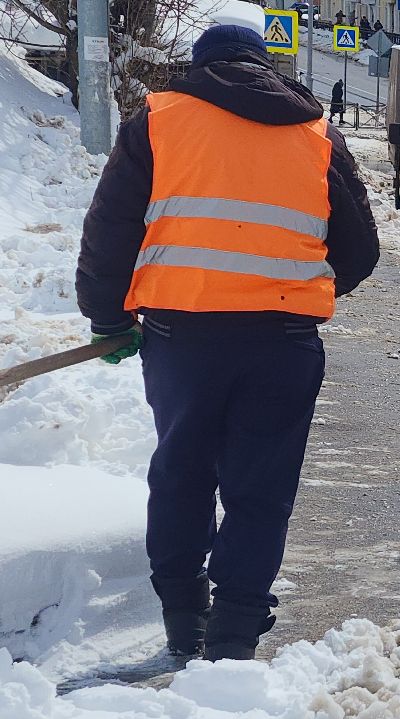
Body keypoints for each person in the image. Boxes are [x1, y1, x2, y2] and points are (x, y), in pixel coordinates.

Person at [75, 25, 379, 662]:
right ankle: (236, 634)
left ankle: (185, 621)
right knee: (261, 488)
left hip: (180, 336)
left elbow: (110, 228)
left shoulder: (158, 122)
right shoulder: (316, 136)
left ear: (200, 65)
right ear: (264, 67)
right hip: (283, 341)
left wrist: (108, 320)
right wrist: (297, 286)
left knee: (182, 471)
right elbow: (359, 251)